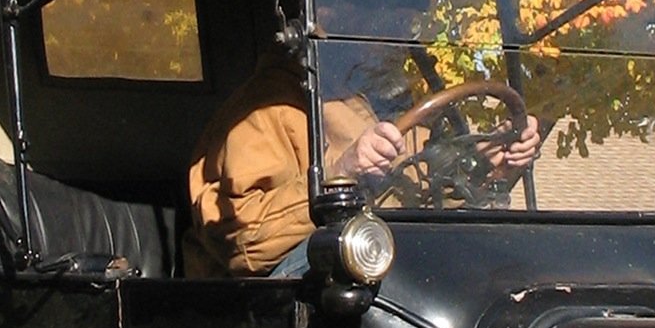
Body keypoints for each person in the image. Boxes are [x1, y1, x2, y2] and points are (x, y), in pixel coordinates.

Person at [187, 48, 541, 276]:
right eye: (386, 13)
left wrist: (489, 160)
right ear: (333, 15)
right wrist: (342, 174)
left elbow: (420, 195)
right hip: (276, 316)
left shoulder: (376, 101)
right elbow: (242, 243)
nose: (400, 36)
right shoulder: (271, 104)